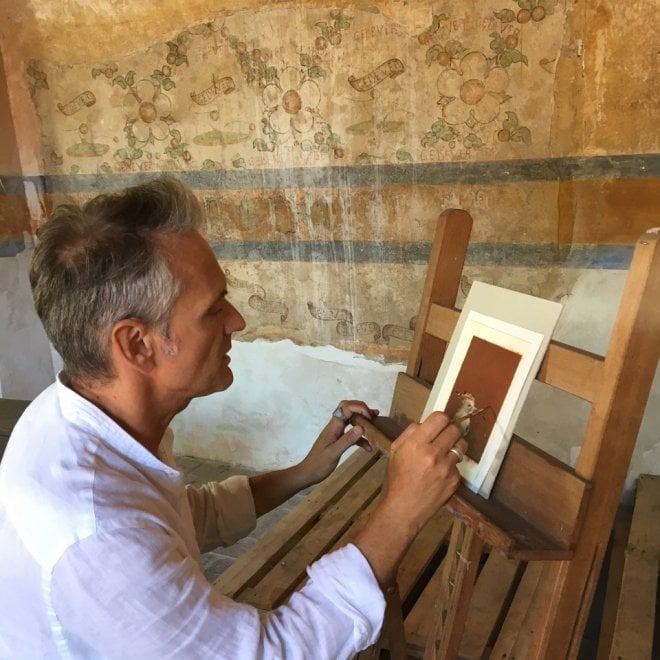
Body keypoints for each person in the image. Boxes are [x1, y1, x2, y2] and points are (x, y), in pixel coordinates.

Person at [0, 177, 467, 658]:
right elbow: (275, 652)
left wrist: (302, 473)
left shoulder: (75, 413)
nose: (237, 321)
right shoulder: (98, 536)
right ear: (137, 345)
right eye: (212, 310)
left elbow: (179, 517)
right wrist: (400, 513)